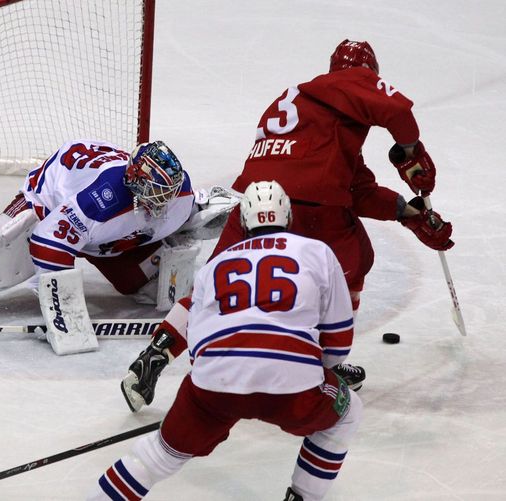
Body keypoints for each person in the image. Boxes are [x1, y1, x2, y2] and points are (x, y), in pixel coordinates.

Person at [121, 39, 455, 400]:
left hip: (251, 197)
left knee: (214, 280)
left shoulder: (312, 111)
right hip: (309, 205)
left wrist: (408, 212)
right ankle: (327, 363)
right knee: (357, 259)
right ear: (367, 73)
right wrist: (410, 151)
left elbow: (356, 188)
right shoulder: (352, 80)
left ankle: (156, 353)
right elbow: (397, 112)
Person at [89, 181, 362, 501]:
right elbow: (339, 339)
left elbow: (198, 337)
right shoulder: (317, 252)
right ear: (289, 217)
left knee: (154, 456)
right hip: (292, 378)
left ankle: (155, 356)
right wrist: (319, 373)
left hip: (214, 380)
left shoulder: (218, 264)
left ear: (244, 221)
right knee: (348, 412)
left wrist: (219, 378)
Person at [0, 139, 237, 354]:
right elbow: (48, 240)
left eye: (165, 193)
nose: (161, 202)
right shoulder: (102, 200)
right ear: (134, 182)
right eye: (153, 192)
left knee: (144, 286)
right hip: (48, 205)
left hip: (103, 236)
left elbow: (197, 208)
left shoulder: (178, 195)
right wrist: (64, 310)